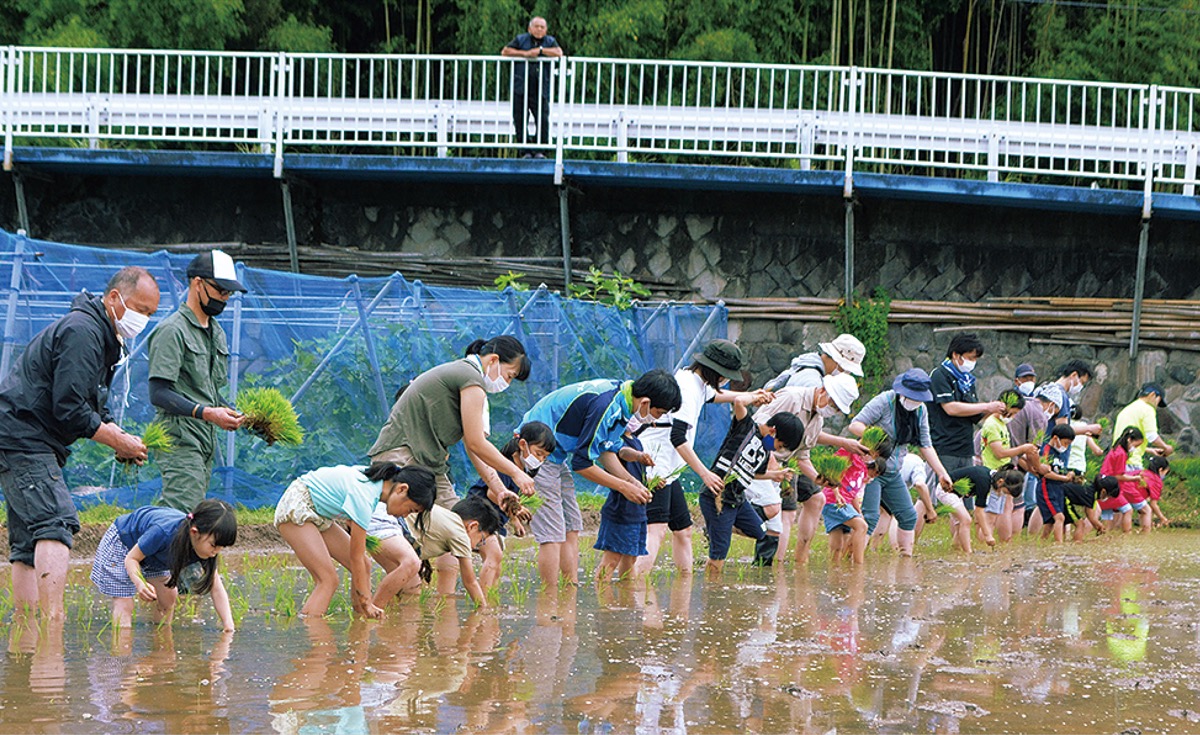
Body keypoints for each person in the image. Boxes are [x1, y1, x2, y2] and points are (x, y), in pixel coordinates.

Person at [0, 266, 159, 625]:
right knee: (55, 522)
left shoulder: (103, 336)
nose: (144, 320)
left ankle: (27, 630)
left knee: (28, 539)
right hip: (25, 434)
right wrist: (115, 438)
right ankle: (52, 623)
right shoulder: (83, 331)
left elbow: (94, 405)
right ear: (115, 299)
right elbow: (70, 407)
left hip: (23, 434)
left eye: (150, 314)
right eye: (141, 310)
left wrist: (119, 439)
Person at [369, 336, 536, 593]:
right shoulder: (469, 376)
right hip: (402, 457)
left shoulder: (475, 387)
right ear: (493, 360)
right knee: (407, 567)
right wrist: (515, 472)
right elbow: (476, 442)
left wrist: (499, 489)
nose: (507, 383)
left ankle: (463, 607)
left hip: (432, 467)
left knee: (470, 530)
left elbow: (474, 448)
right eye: (510, 375)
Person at [522, 370, 682, 588]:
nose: (657, 419)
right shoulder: (607, 405)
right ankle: (549, 599)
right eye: (658, 412)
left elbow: (606, 451)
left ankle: (570, 591)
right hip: (538, 450)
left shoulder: (623, 402)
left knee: (571, 525)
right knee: (552, 532)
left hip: (557, 456)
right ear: (645, 402)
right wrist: (625, 487)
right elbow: (583, 463)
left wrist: (634, 483)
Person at [635, 339, 764, 577]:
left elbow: (713, 396)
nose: (725, 379)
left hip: (670, 469)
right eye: (724, 375)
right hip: (656, 465)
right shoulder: (687, 387)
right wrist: (705, 473)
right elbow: (678, 437)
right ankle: (635, 584)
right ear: (714, 371)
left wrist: (750, 395)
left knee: (683, 529)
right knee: (657, 529)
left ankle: (683, 592)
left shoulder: (696, 381)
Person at [147, 250, 247, 512]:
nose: (224, 298)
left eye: (229, 293)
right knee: (180, 514)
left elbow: (208, 393)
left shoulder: (216, 333)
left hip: (205, 439)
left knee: (190, 514)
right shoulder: (172, 330)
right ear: (198, 283)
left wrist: (234, 413)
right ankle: (135, 554)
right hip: (179, 437)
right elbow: (159, 393)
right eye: (221, 290)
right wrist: (207, 413)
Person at [274, 462, 436, 618]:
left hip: (319, 513)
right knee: (328, 580)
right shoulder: (365, 497)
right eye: (410, 509)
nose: (405, 515)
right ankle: (315, 637)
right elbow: (355, 555)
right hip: (298, 506)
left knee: (365, 565)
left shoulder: (375, 484)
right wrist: (367, 603)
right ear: (402, 489)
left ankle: (361, 620)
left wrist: (367, 606)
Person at [745, 371, 861, 566]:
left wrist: (820, 479)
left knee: (779, 523)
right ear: (823, 390)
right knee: (774, 511)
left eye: (837, 409)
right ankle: (724, 522)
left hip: (778, 470)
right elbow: (756, 426)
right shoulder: (792, 398)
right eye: (832, 404)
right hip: (758, 460)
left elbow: (803, 459)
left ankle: (765, 571)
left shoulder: (817, 420)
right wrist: (771, 460)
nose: (833, 410)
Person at [848, 368, 955, 557]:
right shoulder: (885, 401)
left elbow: (925, 445)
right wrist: (876, 438)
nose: (914, 401)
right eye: (911, 396)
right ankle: (854, 562)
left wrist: (941, 472)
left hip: (893, 471)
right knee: (871, 518)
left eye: (918, 397)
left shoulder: (920, 410)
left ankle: (906, 560)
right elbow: (856, 424)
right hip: (872, 470)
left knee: (908, 516)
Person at [90, 499, 237, 631]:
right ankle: (120, 656)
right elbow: (131, 559)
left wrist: (228, 625)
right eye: (214, 546)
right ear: (194, 532)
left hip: (154, 555)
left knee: (168, 597)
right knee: (124, 603)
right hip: (124, 544)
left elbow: (216, 589)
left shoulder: (206, 548)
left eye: (221, 548)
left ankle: (161, 644)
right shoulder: (163, 532)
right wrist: (140, 583)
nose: (216, 552)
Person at [700, 393, 801, 575]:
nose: (777, 450)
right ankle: (712, 591)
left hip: (738, 501)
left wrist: (775, 475)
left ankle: (716, 529)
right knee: (719, 556)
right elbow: (738, 401)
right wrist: (756, 396)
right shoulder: (746, 427)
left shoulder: (764, 450)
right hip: (718, 496)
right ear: (773, 431)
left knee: (760, 532)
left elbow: (754, 474)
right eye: (779, 446)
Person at [462, 422, 554, 590]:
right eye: (538, 453)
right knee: (492, 556)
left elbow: (507, 500)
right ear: (522, 445)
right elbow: (492, 493)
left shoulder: (521, 471)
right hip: (479, 515)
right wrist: (517, 509)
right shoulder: (505, 466)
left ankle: (488, 597)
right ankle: (483, 600)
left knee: (495, 561)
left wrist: (514, 520)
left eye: (544, 457)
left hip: (494, 520)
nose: (540, 460)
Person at [926, 334, 1006, 479]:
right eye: (970, 358)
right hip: (944, 447)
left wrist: (999, 411)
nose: (973, 362)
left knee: (966, 496)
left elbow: (977, 417)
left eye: (975, 359)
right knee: (943, 495)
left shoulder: (967, 381)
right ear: (956, 355)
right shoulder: (940, 375)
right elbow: (950, 408)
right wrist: (987, 406)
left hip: (965, 449)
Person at [978, 389, 1040, 543]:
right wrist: (1023, 448)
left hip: (1004, 471)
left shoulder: (1001, 424)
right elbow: (999, 452)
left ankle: (1006, 540)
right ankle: (985, 544)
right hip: (994, 473)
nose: (1012, 417)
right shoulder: (992, 425)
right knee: (990, 517)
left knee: (1006, 507)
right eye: (1011, 413)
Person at [501, 17, 563, 158]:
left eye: (542, 27)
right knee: (520, 119)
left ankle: (540, 151)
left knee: (542, 120)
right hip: (521, 86)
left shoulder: (550, 41)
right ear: (530, 28)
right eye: (536, 26)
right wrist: (526, 54)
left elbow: (559, 52)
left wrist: (540, 51)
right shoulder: (521, 39)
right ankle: (525, 151)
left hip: (540, 88)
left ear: (546, 30)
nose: (539, 29)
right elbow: (505, 51)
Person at [763, 333, 866, 391]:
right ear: (836, 360)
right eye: (845, 369)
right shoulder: (813, 382)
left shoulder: (804, 365)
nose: (845, 373)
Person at [1112, 383, 1175, 474]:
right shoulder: (1147, 409)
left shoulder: (1127, 409)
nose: (1156, 405)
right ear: (1153, 394)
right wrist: (1166, 447)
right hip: (1132, 463)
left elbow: (1125, 441)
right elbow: (1151, 436)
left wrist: (1150, 450)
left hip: (1117, 461)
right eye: (1158, 401)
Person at [1100, 426, 1152, 533]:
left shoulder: (1116, 449)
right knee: (1128, 510)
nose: (1134, 448)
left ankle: (1103, 539)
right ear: (1129, 440)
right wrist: (1135, 478)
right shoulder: (1121, 453)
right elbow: (1119, 475)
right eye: (1135, 445)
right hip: (1111, 486)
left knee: (1106, 516)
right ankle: (1126, 537)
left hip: (1103, 483)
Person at [1035, 423, 1077, 543]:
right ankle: (1059, 545)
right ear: (1055, 438)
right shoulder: (1046, 451)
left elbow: (1060, 470)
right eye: (1065, 443)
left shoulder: (1060, 454)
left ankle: (1042, 542)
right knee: (1059, 517)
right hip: (1047, 488)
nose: (1066, 446)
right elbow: (1046, 473)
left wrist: (1069, 475)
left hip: (1058, 489)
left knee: (1050, 522)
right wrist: (1064, 479)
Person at [1141, 455, 1171, 528]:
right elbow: (1153, 504)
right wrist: (1162, 518)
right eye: (1165, 473)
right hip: (1129, 494)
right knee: (1147, 510)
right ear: (1160, 470)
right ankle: (1146, 534)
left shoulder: (1144, 472)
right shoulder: (1156, 481)